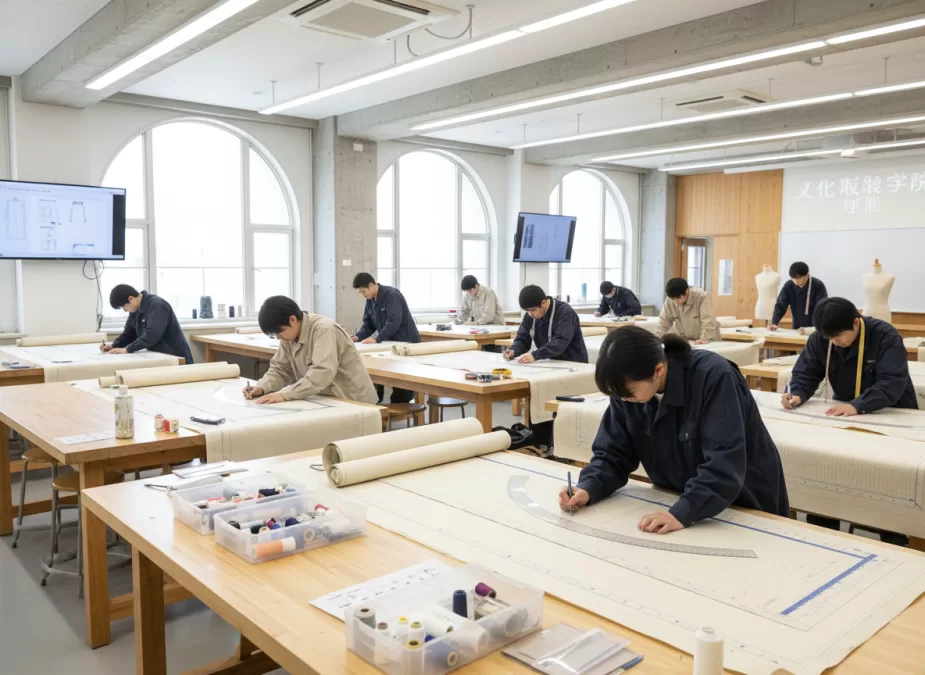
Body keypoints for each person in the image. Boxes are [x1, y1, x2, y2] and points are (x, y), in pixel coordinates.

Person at [559, 327, 789, 533]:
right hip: (682, 501)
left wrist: (684, 511)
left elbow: (724, 463)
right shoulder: (627, 389)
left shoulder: (714, 376)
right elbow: (613, 453)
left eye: (629, 394)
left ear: (658, 370)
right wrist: (589, 487)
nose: (624, 401)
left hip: (744, 503)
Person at [782, 297, 914, 544]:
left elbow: (892, 383)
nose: (834, 342)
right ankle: (823, 532)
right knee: (827, 470)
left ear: (856, 322)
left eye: (838, 336)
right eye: (828, 337)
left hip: (891, 415)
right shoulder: (823, 337)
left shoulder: (885, 336)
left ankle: (894, 539)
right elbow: (806, 371)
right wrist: (797, 392)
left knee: (886, 482)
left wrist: (858, 405)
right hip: (844, 415)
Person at [243, 296, 377, 406]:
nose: (278, 337)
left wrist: (284, 394)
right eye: (274, 334)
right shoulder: (288, 336)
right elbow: (281, 369)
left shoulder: (324, 330)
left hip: (353, 401)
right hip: (325, 399)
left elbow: (321, 373)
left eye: (279, 332)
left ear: (293, 320)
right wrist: (262, 387)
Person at [352, 272, 420, 404]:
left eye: (363, 291)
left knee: (402, 388)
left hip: (406, 343)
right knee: (385, 379)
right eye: (360, 293)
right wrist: (358, 337)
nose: (363, 295)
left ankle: (401, 408)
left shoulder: (392, 295)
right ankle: (384, 406)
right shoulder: (370, 300)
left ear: (371, 285)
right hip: (389, 345)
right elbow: (368, 324)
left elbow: (394, 321)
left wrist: (377, 339)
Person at [102, 284, 193, 364]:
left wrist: (128, 349)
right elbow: (129, 334)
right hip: (158, 356)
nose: (125, 310)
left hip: (175, 357)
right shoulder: (135, 311)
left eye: (124, 306)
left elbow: (152, 334)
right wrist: (114, 345)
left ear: (131, 298)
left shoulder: (157, 305)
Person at [505, 285, 587, 365]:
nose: (530, 314)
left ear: (543, 303)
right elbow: (523, 339)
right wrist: (513, 350)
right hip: (550, 362)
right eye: (527, 311)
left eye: (533, 310)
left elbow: (560, 341)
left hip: (573, 362)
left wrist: (535, 355)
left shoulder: (565, 312)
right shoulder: (530, 316)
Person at [656, 278, 719, 343]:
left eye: (678, 298)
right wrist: (657, 338)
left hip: (707, 340)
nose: (675, 301)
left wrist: (704, 338)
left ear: (687, 291)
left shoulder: (702, 297)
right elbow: (664, 321)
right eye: (673, 298)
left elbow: (708, 321)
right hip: (687, 341)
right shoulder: (670, 300)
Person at [770, 262, 827, 331]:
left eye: (798, 278)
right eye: (793, 278)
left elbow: (822, 308)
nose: (796, 281)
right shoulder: (789, 285)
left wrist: (819, 327)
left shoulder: (818, 285)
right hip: (797, 326)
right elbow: (780, 305)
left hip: (814, 327)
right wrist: (775, 322)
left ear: (806, 275)